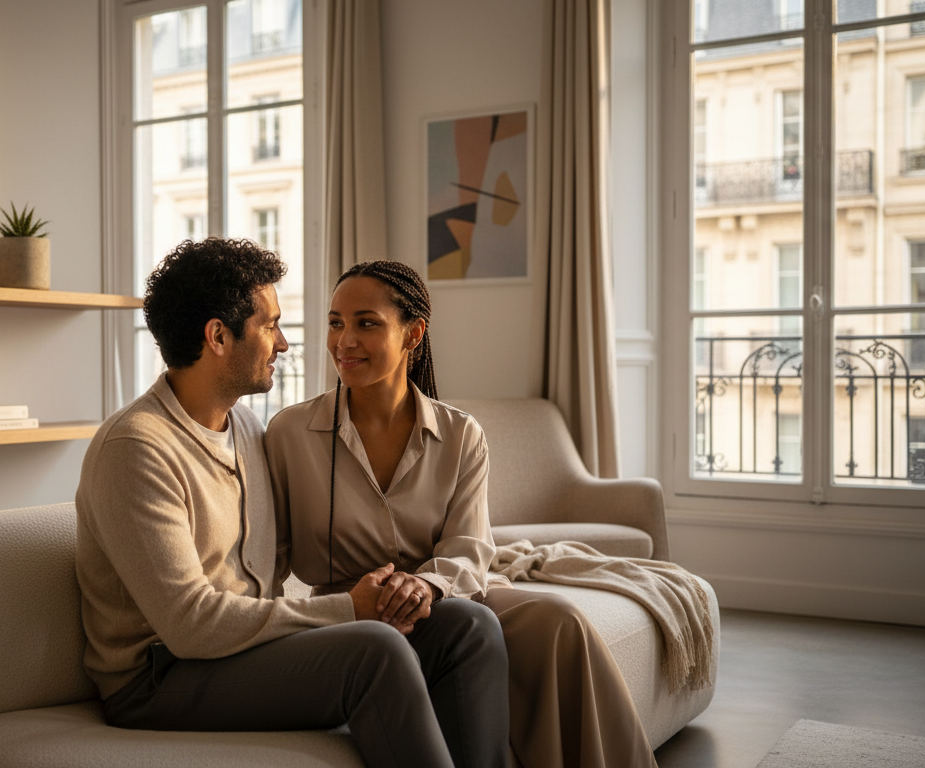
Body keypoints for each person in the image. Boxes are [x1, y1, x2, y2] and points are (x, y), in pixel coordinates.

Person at [75, 238, 510, 768]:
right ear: (218, 336)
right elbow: (190, 626)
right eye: (271, 325)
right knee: (375, 652)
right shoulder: (137, 448)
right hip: (160, 675)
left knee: (467, 626)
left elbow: (272, 562)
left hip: (243, 649)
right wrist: (348, 609)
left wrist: (406, 590)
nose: (283, 343)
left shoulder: (245, 427)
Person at [265, 260, 659, 768]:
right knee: (471, 626)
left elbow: (469, 547)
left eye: (366, 323)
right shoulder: (290, 433)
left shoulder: (460, 434)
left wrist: (427, 585)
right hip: (351, 607)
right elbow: (270, 555)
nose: (344, 340)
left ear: (413, 334)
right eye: (335, 322)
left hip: (447, 591)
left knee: (560, 621)